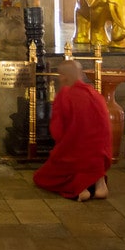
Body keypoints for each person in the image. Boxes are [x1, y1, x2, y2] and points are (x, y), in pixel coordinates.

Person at [33, 60, 112, 201]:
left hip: (77, 156)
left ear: (63, 76)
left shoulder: (65, 94)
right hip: (101, 156)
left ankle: (80, 190)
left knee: (41, 178)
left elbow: (57, 132)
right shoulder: (94, 93)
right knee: (94, 155)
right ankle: (100, 186)